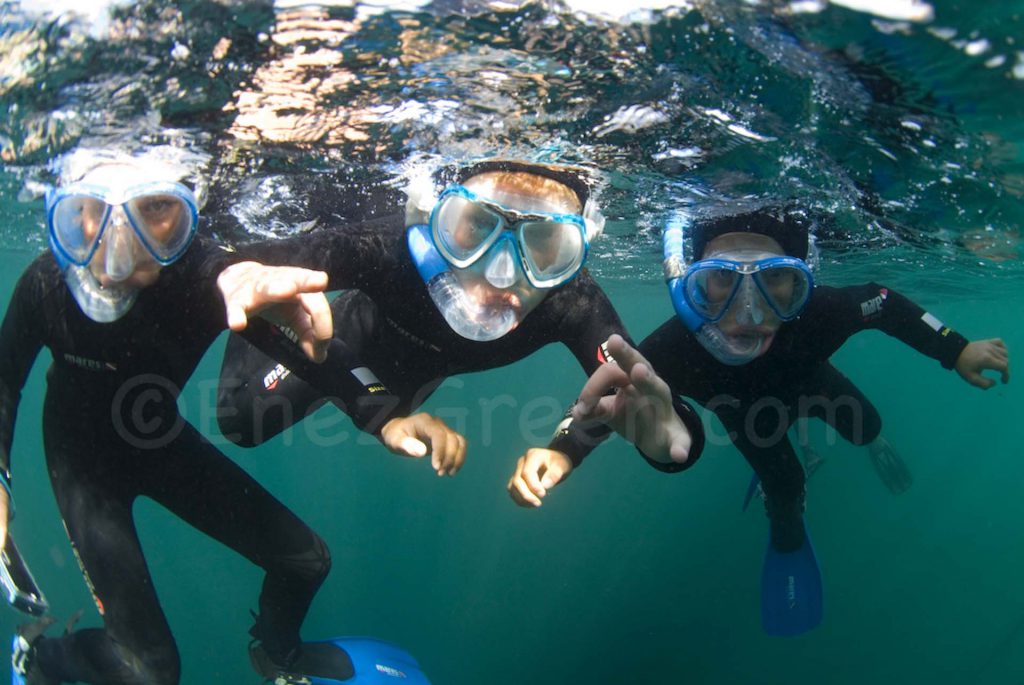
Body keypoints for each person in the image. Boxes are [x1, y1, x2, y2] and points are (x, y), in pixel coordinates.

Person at [0, 148, 412, 685]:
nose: (117, 251)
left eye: (153, 210)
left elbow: (300, 345)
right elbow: (5, 377)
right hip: (82, 465)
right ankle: (37, 657)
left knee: (306, 561)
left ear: (186, 215)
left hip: (155, 439)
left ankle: (277, 659)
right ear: (68, 210)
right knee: (150, 671)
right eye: (94, 209)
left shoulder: (204, 277)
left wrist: (384, 416)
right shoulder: (44, 285)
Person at [508, 204, 1010, 636]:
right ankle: (785, 525)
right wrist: (563, 448)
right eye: (719, 283)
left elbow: (882, 300)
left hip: (810, 384)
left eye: (775, 283)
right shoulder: (671, 351)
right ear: (688, 285)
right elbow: (618, 398)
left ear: (800, 284)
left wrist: (955, 348)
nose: (747, 313)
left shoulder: (821, 313)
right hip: (750, 419)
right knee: (786, 485)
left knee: (867, 425)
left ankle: (869, 445)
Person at [216, 159, 702, 494]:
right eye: (474, 227)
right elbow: (245, 273)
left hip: (409, 382)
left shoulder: (569, 301)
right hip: (344, 344)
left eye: (546, 246)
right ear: (436, 220)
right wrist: (379, 411)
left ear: (576, 255)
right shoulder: (390, 248)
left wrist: (570, 451)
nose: (501, 273)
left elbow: (637, 398)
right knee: (243, 422)